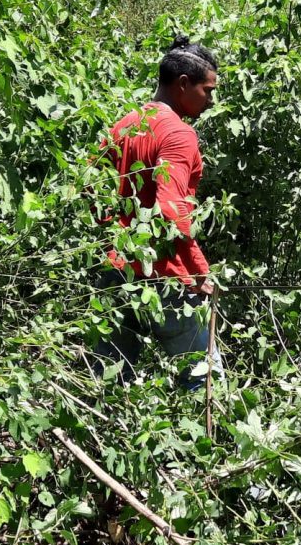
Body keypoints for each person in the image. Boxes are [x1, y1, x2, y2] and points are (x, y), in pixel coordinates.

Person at [93, 35, 222, 390]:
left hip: (115, 270)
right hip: (164, 275)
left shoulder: (124, 125)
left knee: (108, 380)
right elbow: (170, 210)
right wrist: (199, 272)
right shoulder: (180, 134)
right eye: (207, 90)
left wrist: (112, 239)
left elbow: (93, 192)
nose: (211, 100)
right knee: (205, 380)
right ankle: (209, 444)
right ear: (183, 84)